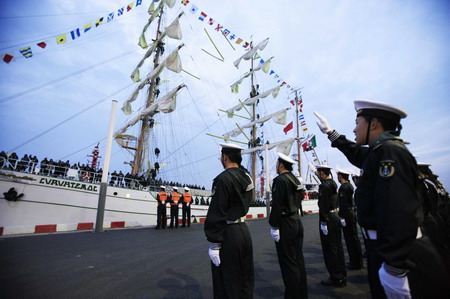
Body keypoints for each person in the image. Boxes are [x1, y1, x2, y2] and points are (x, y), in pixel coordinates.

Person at [314, 100, 450, 298]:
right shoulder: (379, 151)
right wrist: (330, 132)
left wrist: (396, 267)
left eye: (357, 122)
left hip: (400, 257)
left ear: (374, 123)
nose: (354, 129)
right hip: (385, 249)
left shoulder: (389, 152)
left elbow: (400, 212)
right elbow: (354, 151)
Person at [204, 143, 254, 299]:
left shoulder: (223, 179)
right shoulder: (246, 176)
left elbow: (217, 211)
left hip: (228, 234)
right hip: (243, 231)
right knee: (245, 279)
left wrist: (213, 242)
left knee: (226, 282)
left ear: (224, 157)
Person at [269, 152, 307, 298]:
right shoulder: (296, 180)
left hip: (285, 223)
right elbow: (300, 198)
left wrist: (274, 225)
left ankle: (292, 295)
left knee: (288, 263)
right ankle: (301, 293)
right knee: (298, 260)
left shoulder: (280, 180)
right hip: (296, 220)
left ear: (281, 165)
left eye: (277, 164)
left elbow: (277, 205)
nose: (276, 167)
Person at [314, 164, 347, 287]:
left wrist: (323, 222)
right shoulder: (333, 183)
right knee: (337, 247)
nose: (318, 175)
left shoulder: (324, 186)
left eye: (318, 173)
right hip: (335, 216)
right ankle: (341, 274)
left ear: (322, 173)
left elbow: (323, 205)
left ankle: (335, 277)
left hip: (328, 218)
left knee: (330, 248)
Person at [417, 162, 450, 276]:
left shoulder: (425, 184)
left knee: (437, 246)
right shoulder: (431, 184)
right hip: (438, 216)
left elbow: (430, 205)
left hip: (432, 217)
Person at [336, 168, 363, 270]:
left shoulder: (344, 188)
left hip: (347, 214)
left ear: (341, 176)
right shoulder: (350, 186)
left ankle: (355, 262)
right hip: (350, 213)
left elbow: (343, 204)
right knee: (353, 238)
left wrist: (341, 216)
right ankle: (357, 261)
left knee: (350, 239)